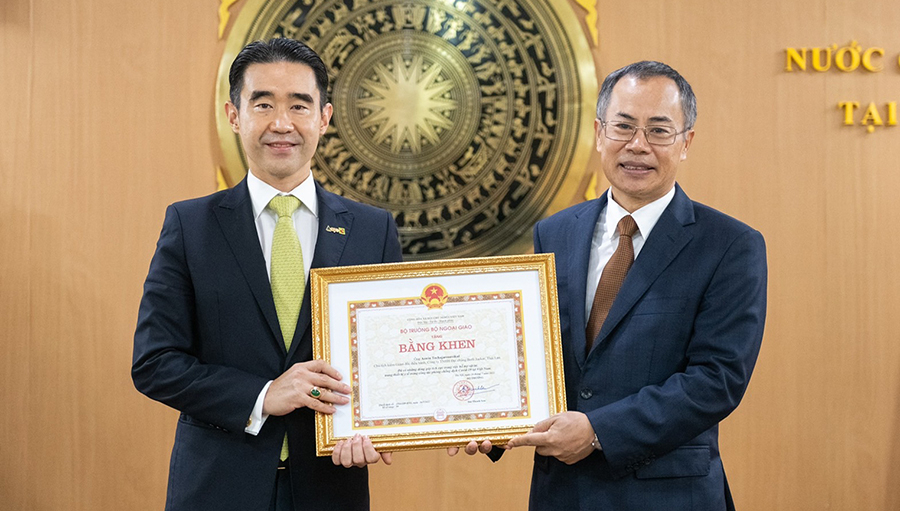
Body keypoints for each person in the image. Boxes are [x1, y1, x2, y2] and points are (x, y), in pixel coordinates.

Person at [454, 61, 767, 510]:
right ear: (600, 133)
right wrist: (490, 413)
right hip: (562, 492)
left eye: (659, 130)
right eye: (623, 126)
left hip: (669, 494)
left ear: (686, 143)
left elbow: (716, 380)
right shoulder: (555, 232)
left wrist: (599, 432)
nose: (637, 145)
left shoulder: (730, 245)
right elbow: (533, 353)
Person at [132, 38, 402, 511]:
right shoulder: (190, 226)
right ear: (234, 116)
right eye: (263, 104)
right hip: (217, 487)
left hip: (330, 487)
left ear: (325, 117)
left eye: (300, 105)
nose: (282, 124)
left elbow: (397, 358)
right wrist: (263, 395)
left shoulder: (373, 230)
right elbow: (155, 363)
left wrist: (380, 425)